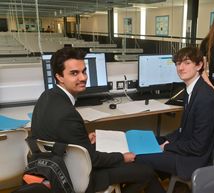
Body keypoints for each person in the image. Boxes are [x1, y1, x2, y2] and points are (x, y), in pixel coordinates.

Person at [30, 47, 165, 193]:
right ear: (59, 77)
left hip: (61, 164)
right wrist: (122, 157)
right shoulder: (67, 114)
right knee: (146, 172)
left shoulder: (47, 96)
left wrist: (82, 140)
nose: (83, 78)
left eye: (84, 71)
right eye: (74, 73)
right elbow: (93, 160)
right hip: (80, 176)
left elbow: (58, 135)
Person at [136, 47, 214, 183]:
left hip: (194, 160)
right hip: (187, 146)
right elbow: (184, 129)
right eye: (178, 63)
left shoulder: (205, 98)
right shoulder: (192, 89)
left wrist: (167, 146)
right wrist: (166, 140)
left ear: (199, 65)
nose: (181, 68)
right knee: (147, 141)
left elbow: (198, 147)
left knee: (136, 157)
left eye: (187, 63)